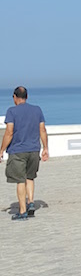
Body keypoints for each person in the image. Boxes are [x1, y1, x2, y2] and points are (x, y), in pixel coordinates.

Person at [0, 86, 49, 221]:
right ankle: (31, 202)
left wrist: (1, 150)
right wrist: (45, 148)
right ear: (27, 97)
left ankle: (22, 212)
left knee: (20, 180)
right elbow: (42, 130)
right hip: (34, 150)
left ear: (15, 97)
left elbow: (9, 133)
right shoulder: (37, 110)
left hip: (18, 151)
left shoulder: (11, 111)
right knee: (30, 177)